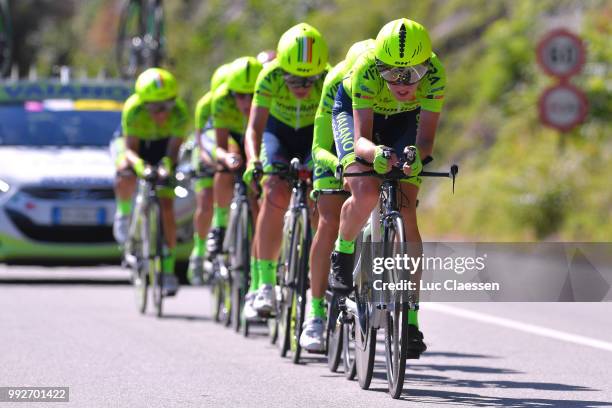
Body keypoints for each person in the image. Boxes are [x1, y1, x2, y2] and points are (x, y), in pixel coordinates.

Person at [329, 18, 446, 357]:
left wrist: (415, 159)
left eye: (412, 73)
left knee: (408, 213)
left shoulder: (437, 75)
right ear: (378, 65)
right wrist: (377, 154)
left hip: (403, 122)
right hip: (358, 119)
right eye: (392, 73)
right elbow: (363, 138)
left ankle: (410, 319)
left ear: (427, 66)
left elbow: (425, 141)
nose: (402, 82)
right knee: (364, 191)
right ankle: (344, 249)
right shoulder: (365, 70)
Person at [243, 23, 329, 315]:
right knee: (273, 191)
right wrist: (254, 160)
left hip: (311, 137)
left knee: (319, 197)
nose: (302, 88)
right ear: (282, 70)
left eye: (309, 81)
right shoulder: (269, 75)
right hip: (276, 134)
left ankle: (321, 275)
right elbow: (254, 129)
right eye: (294, 80)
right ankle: (265, 284)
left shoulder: (328, 77)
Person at [299, 39, 374, 352]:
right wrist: (342, 165)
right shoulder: (335, 83)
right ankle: (314, 314)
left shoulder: (377, 84)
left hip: (367, 142)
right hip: (333, 151)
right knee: (328, 220)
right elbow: (318, 147)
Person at [113, 68, 189, 296]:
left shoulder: (180, 113)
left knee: (166, 207)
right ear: (144, 103)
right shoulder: (134, 110)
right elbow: (130, 151)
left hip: (162, 147)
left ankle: (167, 270)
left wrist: (166, 166)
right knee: (125, 172)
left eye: (167, 106)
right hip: (135, 148)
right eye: (154, 108)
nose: (161, 113)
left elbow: (173, 151)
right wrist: (140, 168)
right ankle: (124, 214)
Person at [207, 56, 264, 318]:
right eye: (239, 96)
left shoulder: (265, 98)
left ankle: (256, 243)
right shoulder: (220, 101)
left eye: (250, 95)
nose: (245, 102)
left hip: (257, 142)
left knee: (256, 198)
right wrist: (227, 158)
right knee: (223, 172)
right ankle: (219, 227)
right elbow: (218, 144)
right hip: (232, 142)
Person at [187, 63, 233, 285]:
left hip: (228, 147)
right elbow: (201, 141)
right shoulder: (205, 104)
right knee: (205, 202)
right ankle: (199, 247)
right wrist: (212, 162)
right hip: (207, 150)